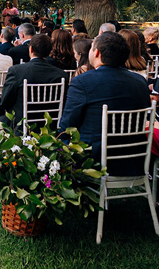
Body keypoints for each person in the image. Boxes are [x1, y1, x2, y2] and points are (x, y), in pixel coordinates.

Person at [58, 32, 151, 173]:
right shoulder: (140, 81)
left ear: (97, 53)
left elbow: (68, 124)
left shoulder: (82, 82)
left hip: (93, 158)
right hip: (133, 155)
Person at [0, 34, 69, 127]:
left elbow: (5, 101)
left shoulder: (17, 71)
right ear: (50, 51)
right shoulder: (61, 75)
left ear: (31, 49)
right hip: (50, 124)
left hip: (21, 124)